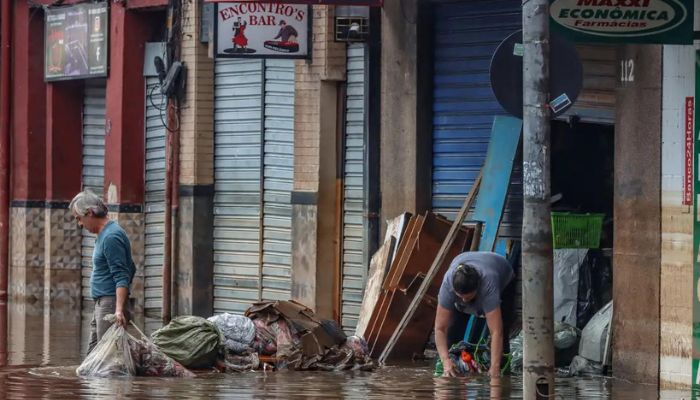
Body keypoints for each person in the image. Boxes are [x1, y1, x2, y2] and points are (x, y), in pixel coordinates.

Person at [70, 190, 136, 354]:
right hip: (103, 303)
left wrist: (118, 310)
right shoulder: (104, 235)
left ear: (90, 213)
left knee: (108, 360)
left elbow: (122, 275)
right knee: (93, 360)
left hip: (110, 304)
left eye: (79, 218)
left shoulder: (111, 236)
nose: (80, 224)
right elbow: (131, 267)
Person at [434, 251, 515, 378]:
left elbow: (496, 332)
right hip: (464, 267)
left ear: (477, 289)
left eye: (468, 297)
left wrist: (494, 368)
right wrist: (445, 361)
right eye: (461, 297)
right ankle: (451, 371)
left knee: (502, 331)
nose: (465, 301)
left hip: (502, 273)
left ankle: (502, 373)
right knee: (452, 331)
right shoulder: (447, 285)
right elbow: (440, 328)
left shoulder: (488, 285)